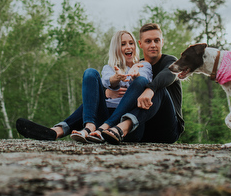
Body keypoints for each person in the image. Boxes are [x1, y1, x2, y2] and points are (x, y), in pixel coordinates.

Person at [16, 30, 152, 143]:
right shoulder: (110, 68)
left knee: (139, 81)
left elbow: (144, 79)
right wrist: (116, 78)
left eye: (131, 43)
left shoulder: (144, 65)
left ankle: (61, 129)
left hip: (125, 121)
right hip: (104, 115)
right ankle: (89, 125)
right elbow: (106, 81)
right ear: (116, 48)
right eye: (123, 44)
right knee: (90, 73)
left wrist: (135, 73)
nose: (128, 47)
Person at [101, 23, 184, 144]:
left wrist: (150, 89)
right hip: (142, 128)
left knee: (158, 87)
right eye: (148, 41)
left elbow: (169, 74)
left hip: (166, 128)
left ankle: (124, 125)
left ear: (162, 42)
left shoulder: (169, 61)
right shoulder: (138, 66)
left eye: (157, 40)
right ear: (140, 44)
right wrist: (107, 92)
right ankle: (86, 129)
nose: (153, 45)